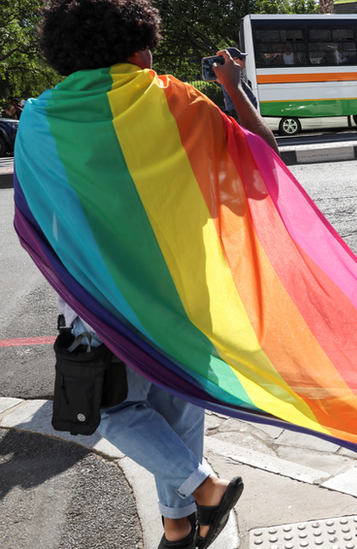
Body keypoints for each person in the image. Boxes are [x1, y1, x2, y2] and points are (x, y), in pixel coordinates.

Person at [19, 1, 265, 547]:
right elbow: (263, 165)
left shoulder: (40, 118)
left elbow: (37, 216)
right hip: (183, 291)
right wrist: (234, 88)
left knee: (107, 406)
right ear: (136, 46)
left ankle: (196, 499)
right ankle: (180, 522)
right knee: (175, 409)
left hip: (99, 299)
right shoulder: (179, 101)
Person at [220, 47, 258, 121]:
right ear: (230, 61)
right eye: (240, 58)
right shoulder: (231, 78)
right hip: (239, 119)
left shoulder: (236, 77)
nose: (244, 60)